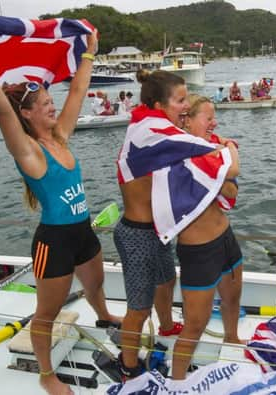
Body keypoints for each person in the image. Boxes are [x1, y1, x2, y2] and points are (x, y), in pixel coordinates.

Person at [0, 26, 120, 395]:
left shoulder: (59, 137)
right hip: (54, 242)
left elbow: (76, 90)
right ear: (26, 114)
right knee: (47, 314)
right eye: (44, 104)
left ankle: (104, 315)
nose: (52, 106)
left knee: (96, 284)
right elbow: (0, 107)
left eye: (49, 102)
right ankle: (46, 375)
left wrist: (90, 52)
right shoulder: (29, 151)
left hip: (83, 232)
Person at [114, 70, 187, 381]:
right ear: (159, 105)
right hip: (137, 235)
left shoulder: (155, 132)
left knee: (167, 280)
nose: (186, 105)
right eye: (180, 100)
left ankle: (167, 324)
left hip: (157, 232)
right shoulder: (148, 134)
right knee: (138, 309)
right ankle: (128, 366)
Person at [173, 94, 242, 380]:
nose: (214, 123)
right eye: (209, 117)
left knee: (232, 296)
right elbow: (231, 172)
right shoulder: (180, 153)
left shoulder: (207, 151)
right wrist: (228, 147)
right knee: (195, 324)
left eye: (214, 117)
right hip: (198, 249)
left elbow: (231, 192)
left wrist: (218, 160)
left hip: (224, 235)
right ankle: (176, 381)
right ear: (187, 120)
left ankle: (232, 337)